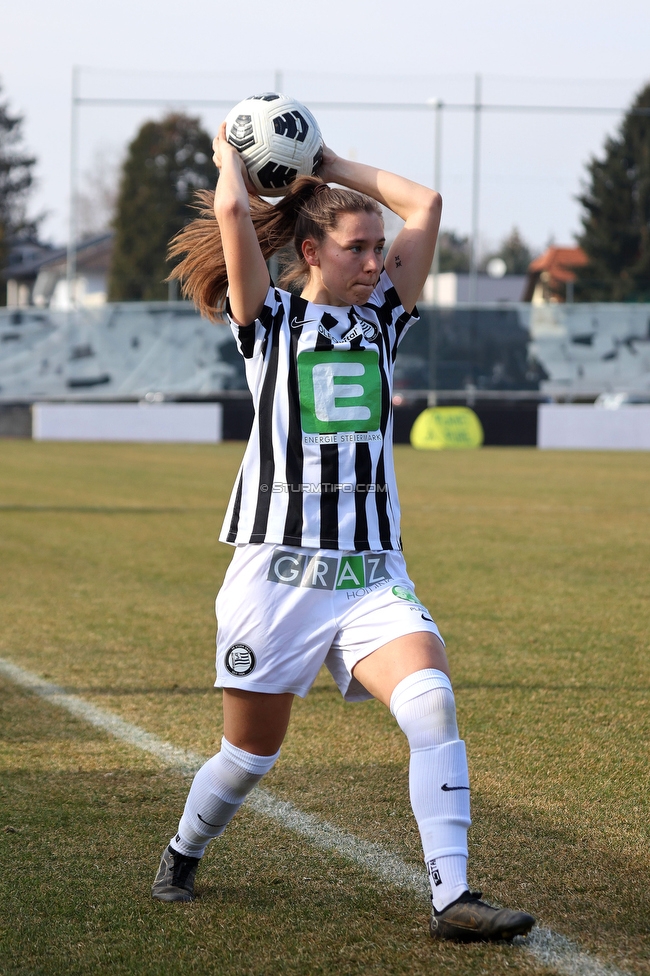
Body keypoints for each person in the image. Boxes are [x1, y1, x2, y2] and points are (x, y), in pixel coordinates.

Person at [151, 118, 535, 943]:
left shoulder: (385, 319)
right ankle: (184, 849)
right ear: (314, 253)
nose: (375, 262)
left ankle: (452, 897)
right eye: (359, 249)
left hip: (370, 574)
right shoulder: (271, 324)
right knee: (250, 757)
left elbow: (426, 203)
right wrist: (232, 159)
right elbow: (229, 217)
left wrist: (330, 166)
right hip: (277, 575)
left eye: (378, 249)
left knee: (431, 704)